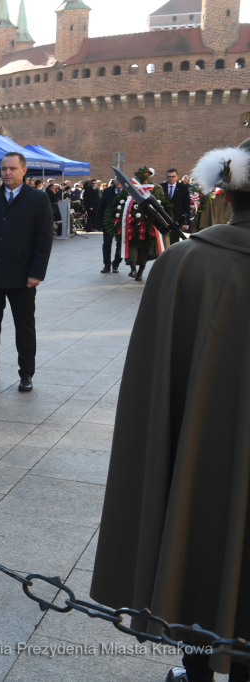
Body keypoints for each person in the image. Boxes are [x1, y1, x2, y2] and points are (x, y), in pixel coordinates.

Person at [92, 140, 250, 682]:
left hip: (204, 462)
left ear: (222, 191)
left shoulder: (181, 266)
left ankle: (198, 668)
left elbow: (152, 408)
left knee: (197, 532)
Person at [0, 152, 54, 392]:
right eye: (4, 168)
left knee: (24, 327)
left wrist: (36, 273)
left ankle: (26, 374)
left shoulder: (38, 199)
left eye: (12, 168)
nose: (7, 173)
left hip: (22, 276)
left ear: (23, 171)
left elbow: (44, 240)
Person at [98, 179, 124, 273]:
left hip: (122, 223)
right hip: (108, 222)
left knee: (120, 245)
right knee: (107, 243)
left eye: (120, 180)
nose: (119, 182)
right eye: (117, 180)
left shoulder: (127, 191)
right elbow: (101, 206)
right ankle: (107, 265)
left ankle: (116, 264)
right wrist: (98, 221)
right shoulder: (107, 191)